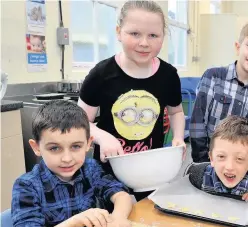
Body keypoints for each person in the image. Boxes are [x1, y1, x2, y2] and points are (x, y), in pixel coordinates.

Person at [78, 0, 186, 201]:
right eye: (134, 34)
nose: (144, 43)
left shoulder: (169, 75)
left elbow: (176, 111)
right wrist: (103, 137)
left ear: (163, 37)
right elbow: (80, 121)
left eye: (153, 35)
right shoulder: (101, 74)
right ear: (119, 32)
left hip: (151, 172)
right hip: (107, 176)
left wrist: (178, 136)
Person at [11, 100, 133, 227]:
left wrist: (118, 217)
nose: (67, 158)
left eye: (76, 146)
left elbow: (120, 194)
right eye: (54, 148)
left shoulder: (91, 169)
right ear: (36, 147)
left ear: (88, 143)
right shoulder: (27, 186)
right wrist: (73, 223)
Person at [190, 19, 248, 170]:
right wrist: (203, 163)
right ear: (238, 47)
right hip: (206, 163)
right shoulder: (213, 77)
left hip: (240, 171)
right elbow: (197, 123)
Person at [186, 116, 248, 205]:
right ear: (212, 158)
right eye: (221, 156)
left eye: (239, 159)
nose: (229, 167)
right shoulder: (198, 175)